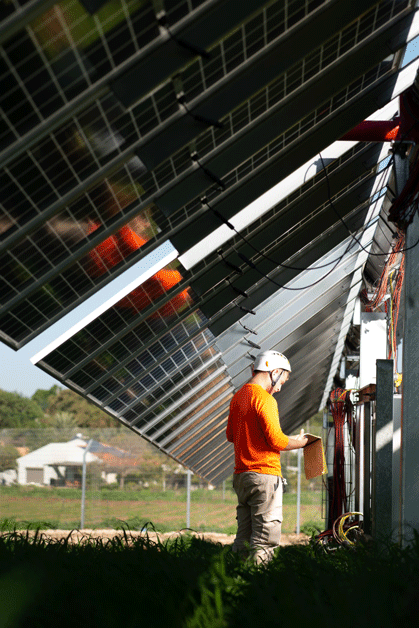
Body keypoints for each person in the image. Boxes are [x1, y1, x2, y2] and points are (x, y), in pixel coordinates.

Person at [226, 349, 308, 564]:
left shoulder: (239, 396)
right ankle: (258, 584)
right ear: (275, 371)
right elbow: (277, 441)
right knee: (264, 539)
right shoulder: (265, 399)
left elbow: (231, 435)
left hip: (242, 476)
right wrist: (301, 443)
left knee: (243, 536)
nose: (280, 388)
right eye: (282, 380)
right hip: (264, 476)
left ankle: (233, 575)